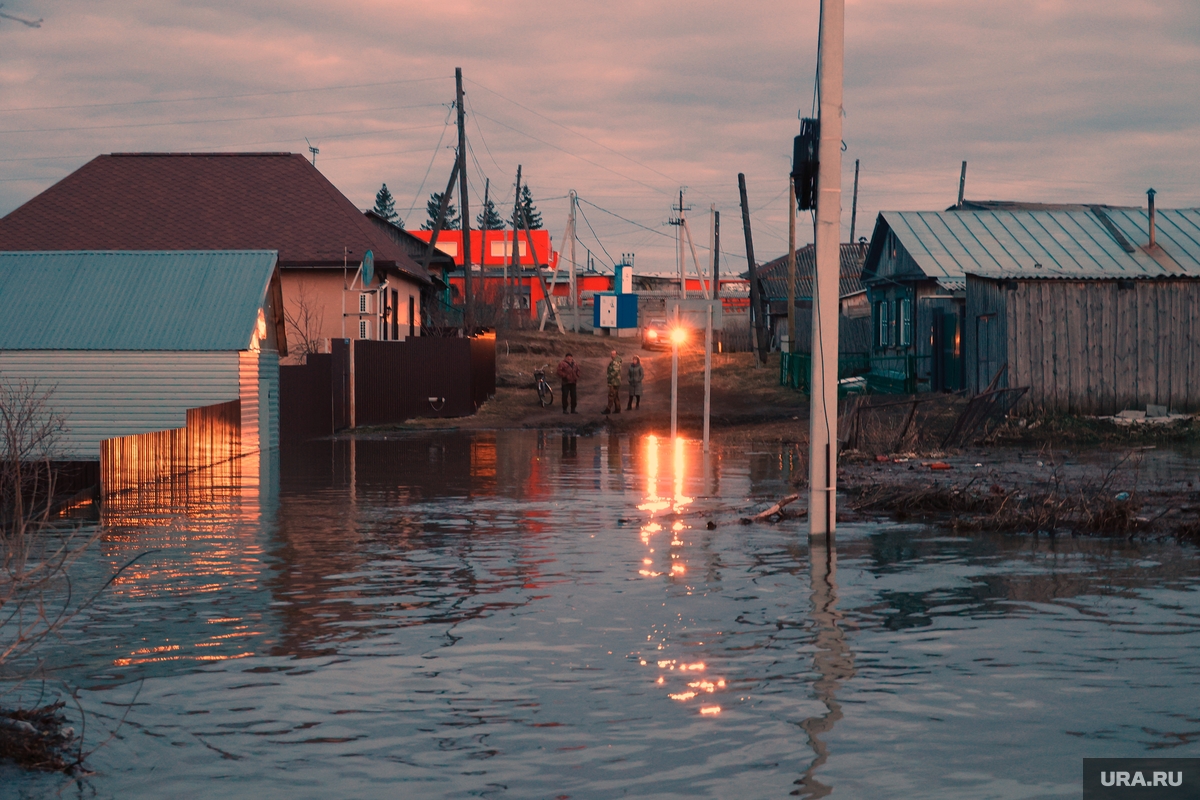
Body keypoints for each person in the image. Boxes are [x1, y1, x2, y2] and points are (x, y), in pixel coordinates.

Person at [603, 349, 622, 414]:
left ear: (616, 354)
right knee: (615, 395)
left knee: (611, 395)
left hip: (614, 382)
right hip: (615, 381)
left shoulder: (615, 362)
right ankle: (617, 408)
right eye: (611, 354)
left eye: (613, 354)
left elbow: (615, 371)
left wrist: (609, 377)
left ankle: (608, 409)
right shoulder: (616, 361)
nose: (612, 355)